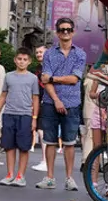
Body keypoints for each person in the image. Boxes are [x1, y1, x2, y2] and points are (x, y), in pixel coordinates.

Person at [37, 17, 86, 191]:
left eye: (68, 29)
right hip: (51, 102)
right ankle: (49, 177)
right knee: (50, 141)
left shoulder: (80, 54)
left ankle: (69, 178)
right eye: (62, 30)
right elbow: (45, 80)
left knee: (69, 142)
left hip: (72, 103)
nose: (65, 32)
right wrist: (56, 99)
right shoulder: (49, 53)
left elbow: (75, 79)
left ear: (73, 32)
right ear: (57, 32)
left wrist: (53, 78)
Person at [0, 47, 40, 187]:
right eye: (19, 59)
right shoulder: (8, 76)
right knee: (9, 146)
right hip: (9, 114)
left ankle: (20, 175)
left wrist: (34, 118)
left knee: (24, 147)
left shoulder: (33, 78)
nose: (22, 62)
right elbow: (3, 95)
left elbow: (35, 98)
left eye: (25, 60)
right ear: (15, 60)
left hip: (25, 115)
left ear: (29, 61)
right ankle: (10, 174)